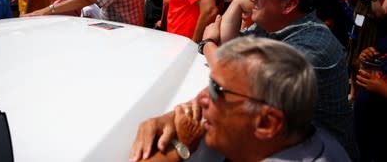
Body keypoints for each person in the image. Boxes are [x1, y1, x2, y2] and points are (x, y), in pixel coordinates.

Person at [130, 0, 357, 161]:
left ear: (289, 5)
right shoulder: (275, 24)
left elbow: (236, 76)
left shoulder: (312, 47)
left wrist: (208, 42)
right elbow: (232, 54)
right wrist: (237, 2)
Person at [129, 36, 350, 162]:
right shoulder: (304, 137)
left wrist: (179, 145)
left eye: (217, 90)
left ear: (267, 123)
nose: (200, 98)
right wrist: (174, 116)